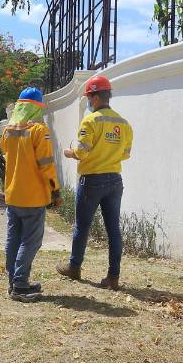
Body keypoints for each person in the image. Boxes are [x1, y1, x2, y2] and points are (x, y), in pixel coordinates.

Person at [57, 75, 132, 291]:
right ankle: (113, 277)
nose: (89, 101)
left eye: (90, 97)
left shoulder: (91, 121)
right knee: (113, 230)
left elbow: (81, 151)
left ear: (97, 97)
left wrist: (68, 152)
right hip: (115, 180)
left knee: (82, 225)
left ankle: (74, 267)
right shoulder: (123, 123)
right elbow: (125, 154)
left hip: (92, 180)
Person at [0, 87, 60, 301]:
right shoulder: (39, 131)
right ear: (37, 108)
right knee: (30, 241)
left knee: (13, 239)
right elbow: (47, 165)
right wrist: (55, 190)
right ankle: (20, 284)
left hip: (12, 196)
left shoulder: (8, 131)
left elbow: (6, 153)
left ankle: (13, 281)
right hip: (32, 197)